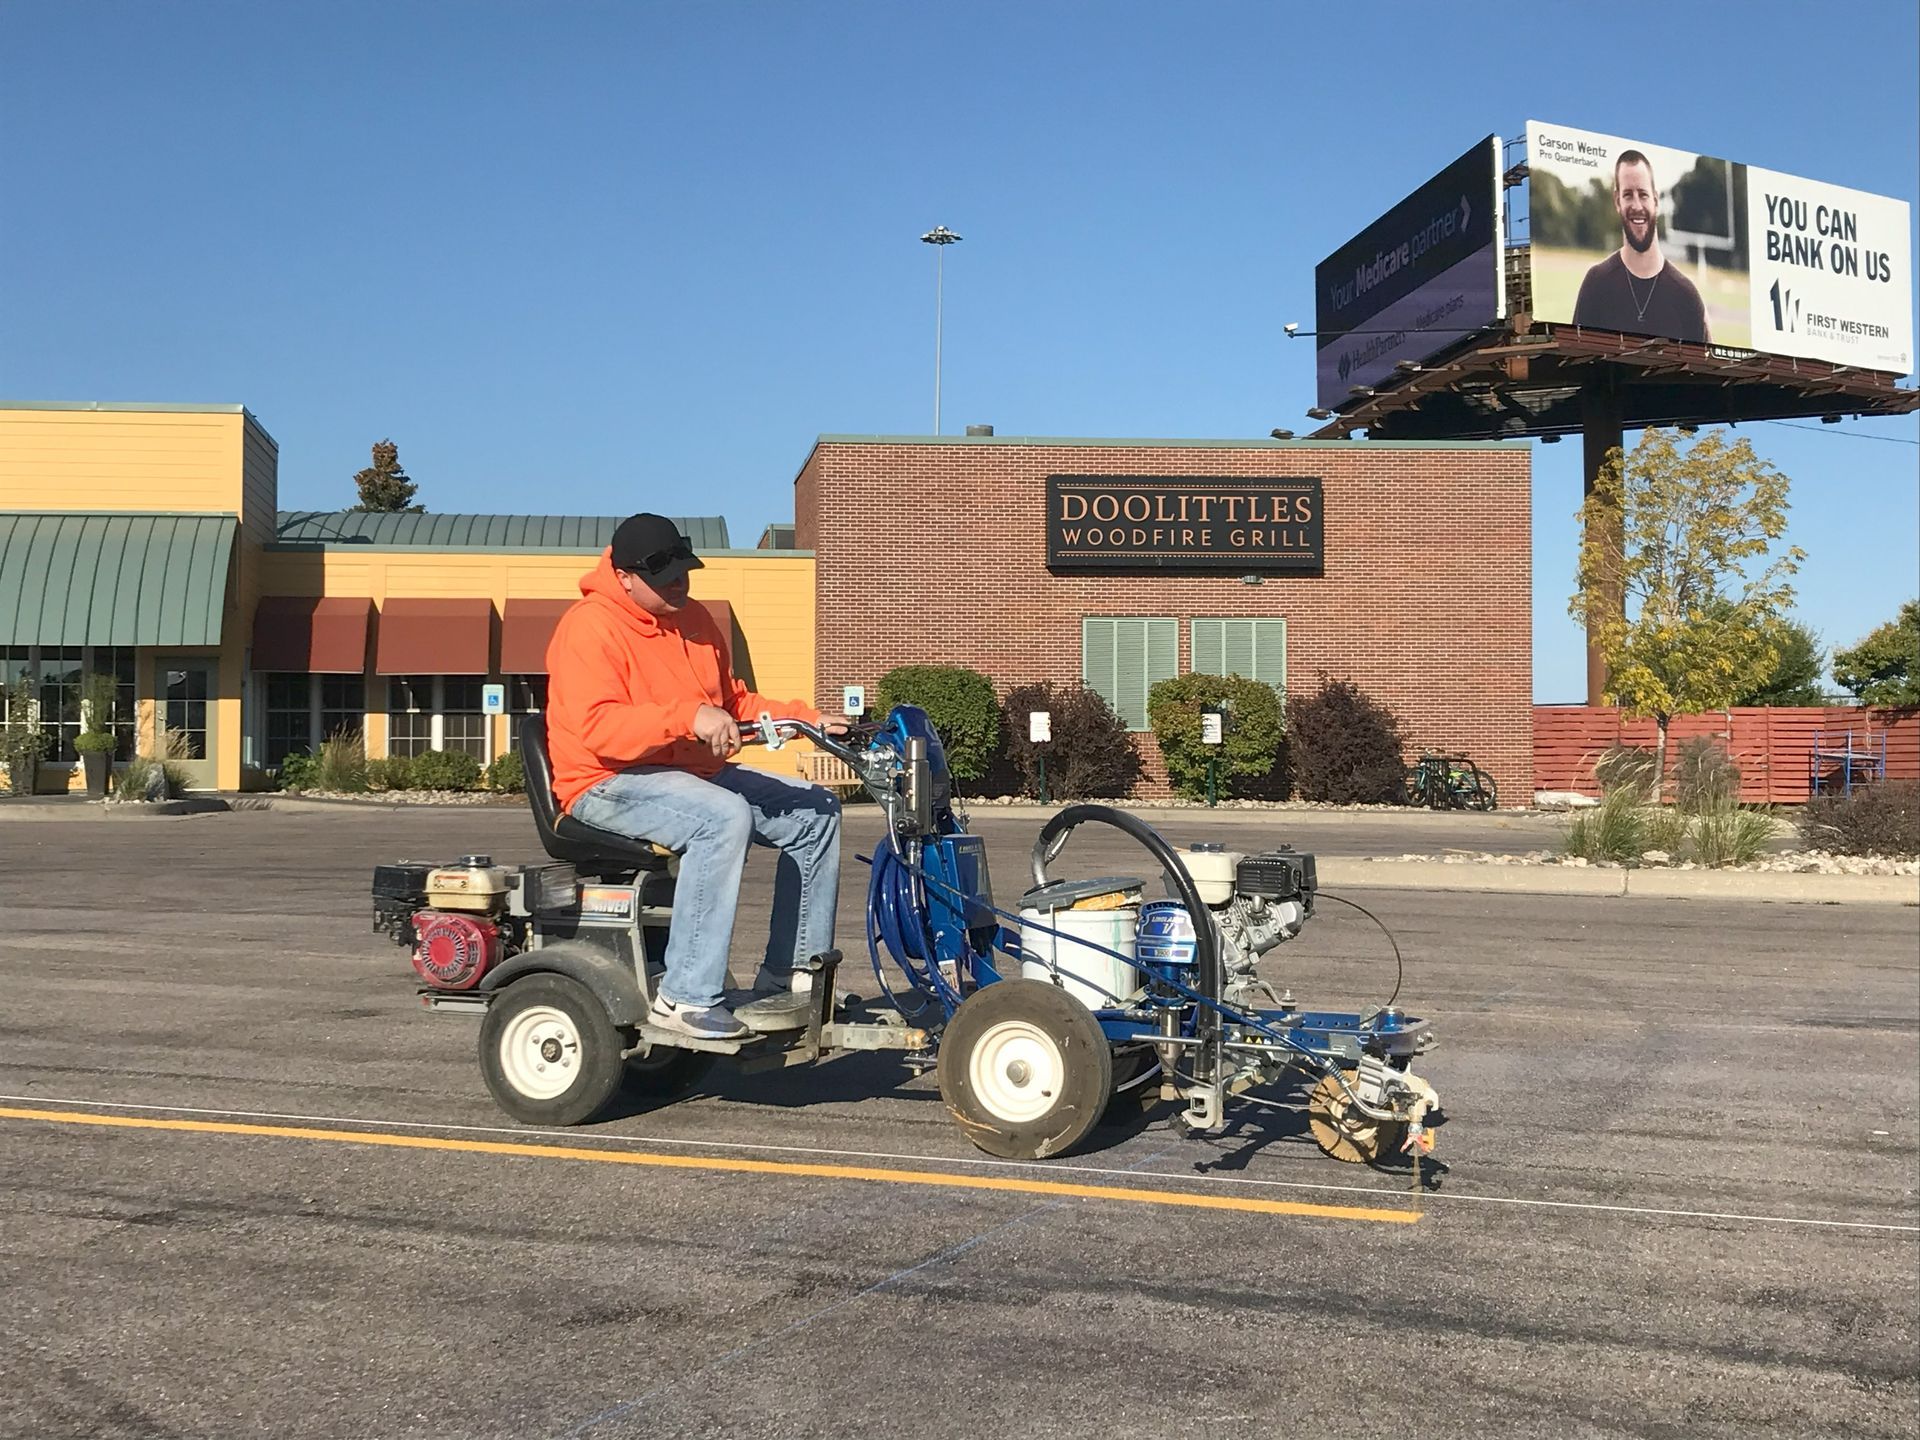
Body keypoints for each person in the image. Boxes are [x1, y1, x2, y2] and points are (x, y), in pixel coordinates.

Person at [544, 513, 850, 1041]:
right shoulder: (588, 628)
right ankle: (684, 996)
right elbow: (598, 728)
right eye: (665, 580)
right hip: (604, 782)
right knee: (721, 817)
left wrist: (807, 719)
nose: (679, 585)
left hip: (688, 772)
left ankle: (792, 972)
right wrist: (687, 716)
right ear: (623, 577)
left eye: (684, 573)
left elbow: (732, 703)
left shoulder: (696, 620)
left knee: (815, 810)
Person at [1571, 149, 1709, 344]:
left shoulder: (1686, 295)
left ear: (1655, 199)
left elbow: (1705, 369)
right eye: (1628, 195)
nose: (1636, 206)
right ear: (1617, 201)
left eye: (1643, 195)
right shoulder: (1596, 283)